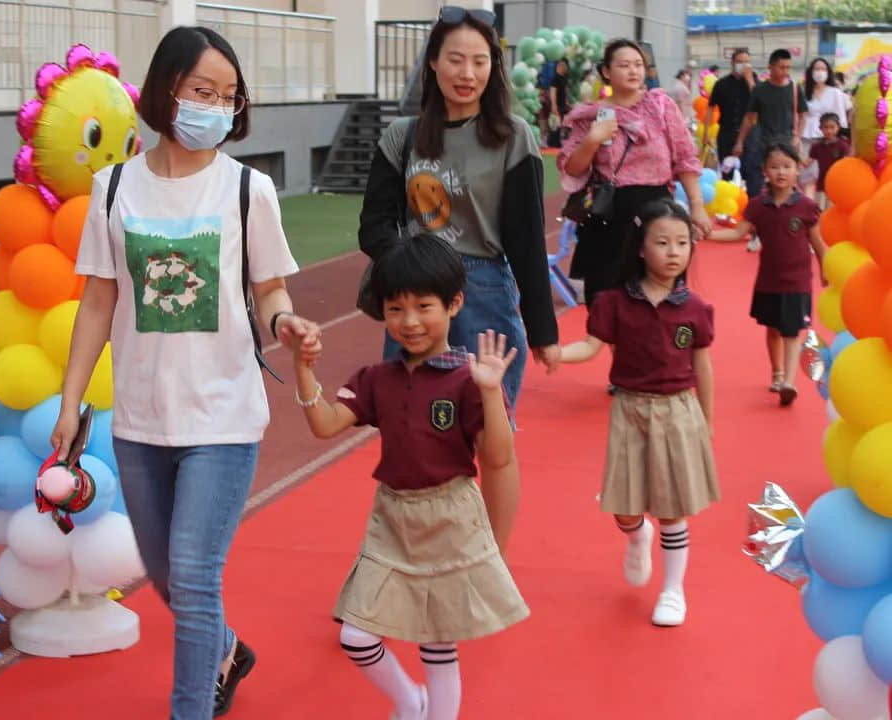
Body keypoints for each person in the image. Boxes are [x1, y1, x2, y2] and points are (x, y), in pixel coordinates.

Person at [49, 26, 323, 719]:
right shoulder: (113, 190)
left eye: (230, 96)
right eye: (203, 91)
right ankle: (226, 650)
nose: (217, 107)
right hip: (141, 419)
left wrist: (284, 321)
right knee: (169, 575)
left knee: (196, 578)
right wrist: (70, 400)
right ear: (167, 90)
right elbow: (99, 302)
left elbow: (270, 290)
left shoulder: (246, 190)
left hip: (223, 416)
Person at [291, 234, 529, 720]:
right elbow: (324, 425)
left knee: (438, 642)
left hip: (452, 516)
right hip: (393, 519)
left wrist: (488, 392)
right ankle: (409, 701)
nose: (410, 321)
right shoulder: (377, 379)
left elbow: (500, 458)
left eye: (424, 306)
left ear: (454, 303)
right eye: (396, 309)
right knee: (356, 635)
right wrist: (303, 369)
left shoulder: (469, 379)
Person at [358, 5, 561, 416]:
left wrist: (543, 328)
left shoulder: (514, 137)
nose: (467, 73)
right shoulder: (402, 136)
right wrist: (409, 269)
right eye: (455, 59)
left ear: (494, 67)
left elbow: (526, 240)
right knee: (411, 429)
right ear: (433, 63)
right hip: (417, 293)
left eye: (479, 61)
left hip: (484, 292)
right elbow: (374, 226)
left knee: (489, 429)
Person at [556, 199, 719, 627]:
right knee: (625, 510)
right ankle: (637, 535)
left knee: (671, 507)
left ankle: (672, 590)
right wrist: (555, 353)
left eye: (682, 243)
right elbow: (591, 346)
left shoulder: (695, 309)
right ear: (641, 248)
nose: (674, 251)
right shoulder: (614, 303)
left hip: (677, 410)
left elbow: (702, 366)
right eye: (662, 242)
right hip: (629, 410)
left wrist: (707, 420)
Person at [559, 38, 709, 313]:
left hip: (659, 217)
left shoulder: (661, 106)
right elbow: (571, 168)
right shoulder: (591, 115)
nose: (633, 71)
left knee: (660, 302)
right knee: (610, 306)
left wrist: (697, 207)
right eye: (624, 65)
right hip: (611, 219)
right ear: (606, 71)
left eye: (638, 65)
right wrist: (593, 139)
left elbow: (685, 158)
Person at [709, 141, 827, 406]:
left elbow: (818, 244)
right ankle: (777, 373)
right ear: (765, 171)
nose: (781, 172)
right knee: (773, 329)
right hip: (769, 281)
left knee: (792, 331)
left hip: (798, 282)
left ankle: (790, 382)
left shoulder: (807, 207)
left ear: (798, 170)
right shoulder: (758, 206)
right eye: (775, 167)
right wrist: (711, 234)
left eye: (787, 166)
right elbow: (739, 233)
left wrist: (824, 271)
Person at [732, 49, 808, 252]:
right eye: (781, 67)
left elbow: (803, 114)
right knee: (761, 191)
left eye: (788, 67)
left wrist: (798, 136)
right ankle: (758, 234)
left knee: (790, 191)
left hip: (787, 147)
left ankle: (795, 235)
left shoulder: (794, 88)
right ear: (771, 67)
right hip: (764, 146)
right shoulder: (760, 90)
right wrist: (740, 142)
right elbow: (749, 118)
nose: (785, 71)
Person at [704, 50, 759, 213]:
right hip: (727, 133)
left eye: (747, 61)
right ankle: (727, 209)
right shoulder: (721, 84)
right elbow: (710, 108)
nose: (744, 64)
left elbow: (759, 101)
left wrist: (749, 80)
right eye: (740, 61)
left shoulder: (753, 81)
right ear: (732, 63)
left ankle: (752, 209)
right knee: (727, 172)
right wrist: (707, 132)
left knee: (751, 173)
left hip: (749, 134)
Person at [799, 58, 851, 199]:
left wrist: (840, 135)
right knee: (807, 178)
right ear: (811, 72)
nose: (820, 72)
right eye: (817, 69)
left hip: (829, 140)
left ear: (828, 72)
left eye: (823, 69)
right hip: (807, 138)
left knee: (826, 176)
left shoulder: (835, 92)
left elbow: (844, 113)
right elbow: (799, 115)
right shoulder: (804, 91)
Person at [804, 112, 850, 208]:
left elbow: (846, 165)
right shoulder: (816, 147)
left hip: (836, 186)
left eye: (832, 127)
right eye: (826, 127)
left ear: (838, 127)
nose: (829, 131)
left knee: (832, 211)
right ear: (820, 128)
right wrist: (796, 153)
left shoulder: (843, 146)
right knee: (819, 211)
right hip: (821, 185)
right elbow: (807, 164)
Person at [549, 57, 571, 146]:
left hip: (562, 105)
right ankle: (553, 142)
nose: (566, 68)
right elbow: (552, 91)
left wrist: (567, 102)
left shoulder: (564, 78)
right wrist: (553, 105)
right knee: (555, 124)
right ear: (560, 66)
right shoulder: (556, 78)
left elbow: (565, 92)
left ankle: (557, 142)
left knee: (559, 123)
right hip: (557, 104)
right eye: (565, 66)